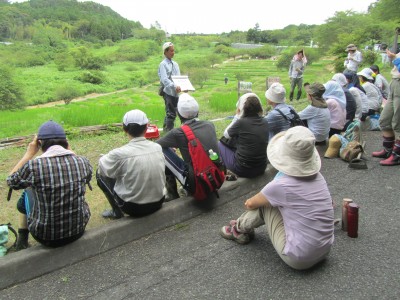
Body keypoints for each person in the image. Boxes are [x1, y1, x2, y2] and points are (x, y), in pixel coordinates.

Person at [220, 126, 334, 270]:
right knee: (278, 202)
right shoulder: (319, 178)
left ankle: (238, 228)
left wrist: (269, 196)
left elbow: (250, 204)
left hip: (300, 258)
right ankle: (241, 226)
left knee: (265, 205)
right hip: (324, 249)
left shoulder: (281, 185)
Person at [7, 121, 92, 250]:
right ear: (65, 142)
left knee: (27, 190)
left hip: (45, 237)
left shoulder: (33, 166)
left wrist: (29, 154)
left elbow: (11, 181)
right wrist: (68, 149)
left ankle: (22, 239)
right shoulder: (83, 162)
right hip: (78, 230)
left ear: (39, 143)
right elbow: (88, 177)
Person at [97, 109, 166, 219]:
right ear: (147, 127)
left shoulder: (119, 154)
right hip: (159, 201)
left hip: (133, 208)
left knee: (99, 173)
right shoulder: (157, 148)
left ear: (124, 129)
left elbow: (102, 166)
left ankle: (116, 211)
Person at [157, 93, 220, 200]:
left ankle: (172, 193)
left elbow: (156, 144)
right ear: (198, 112)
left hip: (196, 183)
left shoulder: (178, 133)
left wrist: (171, 147)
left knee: (160, 149)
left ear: (178, 113)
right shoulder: (210, 124)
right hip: (216, 177)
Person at [219, 93, 269, 178]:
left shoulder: (241, 122)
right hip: (262, 167)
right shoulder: (265, 121)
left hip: (243, 170)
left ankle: (222, 171)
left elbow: (226, 134)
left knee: (219, 144)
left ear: (243, 108)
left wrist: (237, 116)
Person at [372, 49, 400, 166]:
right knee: (384, 120)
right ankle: (388, 149)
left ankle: (397, 155)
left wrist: (395, 59)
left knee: (398, 123)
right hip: (395, 83)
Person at [158, 42, 181, 132]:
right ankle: (169, 132)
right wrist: (174, 86)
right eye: (171, 51)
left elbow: (179, 78)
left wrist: (182, 86)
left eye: (173, 50)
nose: (173, 52)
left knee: (172, 112)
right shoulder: (163, 64)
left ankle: (166, 129)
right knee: (171, 113)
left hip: (176, 92)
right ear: (165, 52)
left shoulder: (175, 64)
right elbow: (164, 80)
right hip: (168, 92)